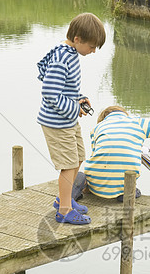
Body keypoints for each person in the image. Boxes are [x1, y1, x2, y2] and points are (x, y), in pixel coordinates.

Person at [36, 13, 106, 225]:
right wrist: (74, 108)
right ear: (77, 39)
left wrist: (79, 98)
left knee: (77, 158)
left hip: (67, 120)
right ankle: (64, 211)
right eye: (92, 47)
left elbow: (65, 87)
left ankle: (63, 200)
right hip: (57, 123)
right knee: (67, 165)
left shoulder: (70, 53)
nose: (93, 51)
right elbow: (50, 92)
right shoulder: (61, 58)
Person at [80, 106, 150, 200]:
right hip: (126, 185)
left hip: (95, 186)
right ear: (124, 114)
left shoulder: (97, 128)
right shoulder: (137, 123)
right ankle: (123, 192)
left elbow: (96, 155)